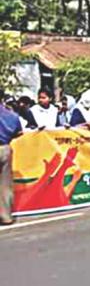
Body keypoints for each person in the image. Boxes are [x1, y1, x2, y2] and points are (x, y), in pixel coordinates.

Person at [0, 90, 23, 225]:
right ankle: (6, 216)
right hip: (5, 148)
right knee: (5, 185)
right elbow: (19, 132)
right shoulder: (12, 116)